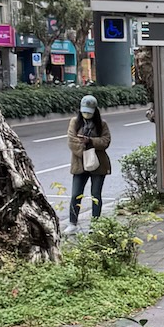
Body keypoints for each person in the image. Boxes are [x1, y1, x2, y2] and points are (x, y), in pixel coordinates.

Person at [67, 93, 112, 227]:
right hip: (79, 164)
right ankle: (72, 223)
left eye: (89, 112)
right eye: (84, 112)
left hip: (98, 164)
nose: (86, 115)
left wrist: (91, 141)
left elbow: (106, 141)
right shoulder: (74, 122)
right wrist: (84, 150)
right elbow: (71, 141)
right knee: (76, 194)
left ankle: (95, 224)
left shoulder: (102, 124)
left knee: (96, 195)